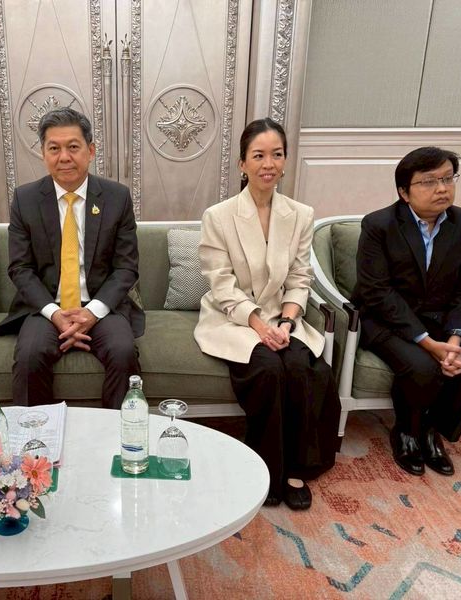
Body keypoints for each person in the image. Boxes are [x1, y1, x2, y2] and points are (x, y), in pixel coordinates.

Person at [194, 118, 339, 509]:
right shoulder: (218, 216)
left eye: (276, 154)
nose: (268, 164)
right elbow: (222, 285)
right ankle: (266, 469)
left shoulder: (300, 214)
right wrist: (260, 326)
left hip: (282, 316)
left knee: (303, 368)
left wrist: (287, 322)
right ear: (242, 163)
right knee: (268, 369)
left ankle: (296, 468)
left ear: (286, 160)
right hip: (234, 318)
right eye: (258, 155)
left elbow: (300, 278)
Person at [352, 146, 461, 477]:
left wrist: (454, 340)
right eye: (429, 181)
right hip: (389, 320)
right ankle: (406, 431)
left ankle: (431, 428)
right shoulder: (379, 225)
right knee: (423, 367)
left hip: (444, 321)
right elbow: (377, 292)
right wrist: (427, 343)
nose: (441, 188)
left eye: (448, 179)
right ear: (404, 192)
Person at [0, 107, 143, 409]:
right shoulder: (25, 199)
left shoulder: (116, 197)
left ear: (90, 151)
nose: (64, 157)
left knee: (123, 351)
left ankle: (117, 431)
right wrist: (55, 314)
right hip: (46, 307)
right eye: (54, 148)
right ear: (43, 153)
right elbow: (21, 268)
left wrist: (93, 312)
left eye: (73, 147)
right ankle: (36, 435)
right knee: (29, 355)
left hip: (101, 305)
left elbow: (126, 267)